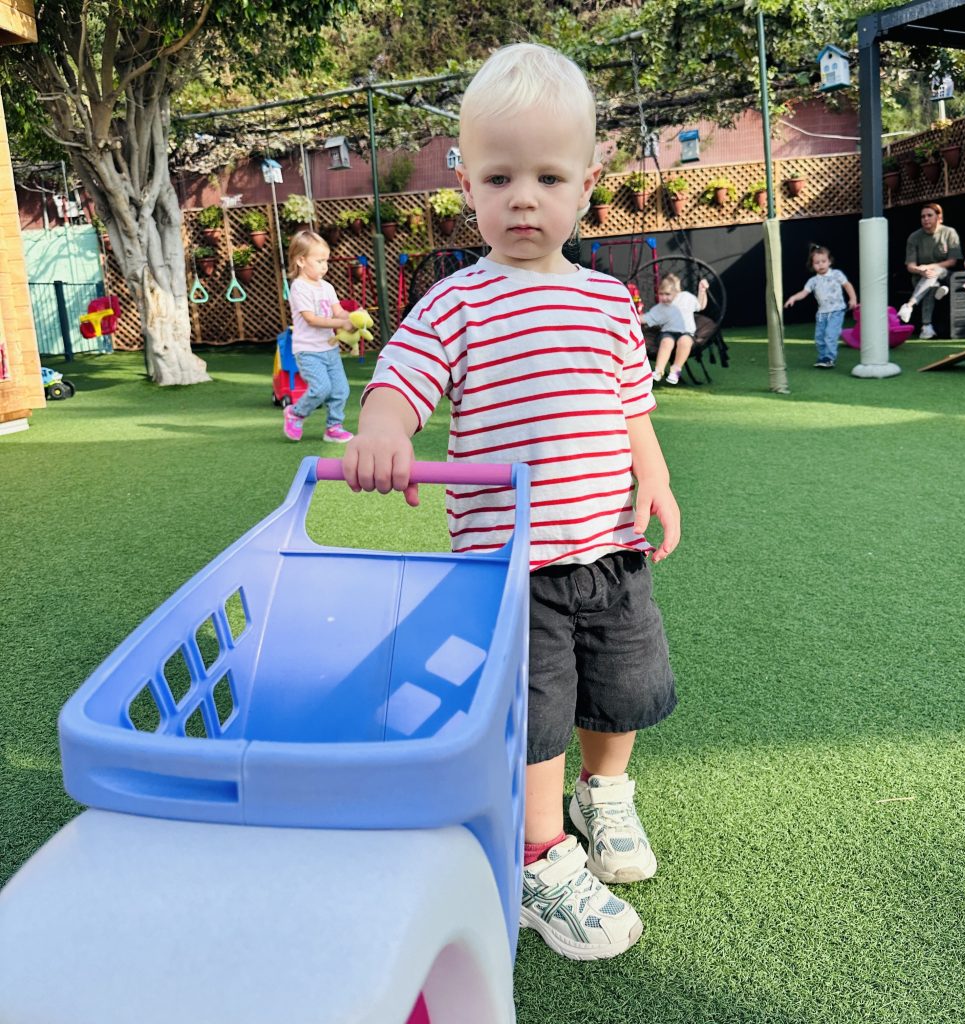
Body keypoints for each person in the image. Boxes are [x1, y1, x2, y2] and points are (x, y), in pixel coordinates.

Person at [341, 42, 680, 961]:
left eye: (548, 177)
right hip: (512, 567)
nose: (523, 199)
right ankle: (538, 856)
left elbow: (631, 406)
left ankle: (604, 797)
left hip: (611, 547)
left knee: (623, 689)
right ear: (466, 185)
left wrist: (653, 478)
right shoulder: (456, 303)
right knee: (537, 713)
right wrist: (384, 431)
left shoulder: (610, 301)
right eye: (499, 178)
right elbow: (399, 382)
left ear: (587, 184)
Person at [283, 229, 356, 443]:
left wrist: (353, 317)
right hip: (308, 351)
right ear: (301, 261)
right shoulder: (299, 288)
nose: (324, 266)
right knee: (321, 389)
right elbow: (312, 319)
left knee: (341, 389)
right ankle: (295, 413)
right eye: (319, 261)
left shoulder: (327, 287)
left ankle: (334, 427)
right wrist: (342, 323)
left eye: (326, 261)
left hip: (329, 348)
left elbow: (338, 312)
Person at [783, 243, 858, 368]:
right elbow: (804, 292)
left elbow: (847, 285)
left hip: (836, 311)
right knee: (819, 337)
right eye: (817, 263)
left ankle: (829, 358)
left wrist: (853, 298)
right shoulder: (813, 281)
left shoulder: (836, 274)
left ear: (829, 262)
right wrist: (793, 298)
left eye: (823, 261)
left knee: (830, 335)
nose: (821, 264)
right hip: (822, 314)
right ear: (812, 265)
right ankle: (822, 357)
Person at [898, 203, 962, 339]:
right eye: (923, 216)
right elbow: (910, 266)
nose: (925, 219)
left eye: (929, 215)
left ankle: (909, 305)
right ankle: (926, 328)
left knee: (936, 271)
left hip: (946, 275)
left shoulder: (949, 232)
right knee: (932, 285)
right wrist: (920, 270)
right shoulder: (914, 237)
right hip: (921, 277)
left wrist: (929, 267)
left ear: (939, 217)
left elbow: (952, 261)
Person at [640, 274, 709, 384]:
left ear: (676, 292)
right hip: (668, 332)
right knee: (666, 342)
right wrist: (631, 315)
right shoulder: (660, 308)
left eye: (667, 294)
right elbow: (645, 318)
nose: (664, 297)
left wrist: (702, 291)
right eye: (661, 294)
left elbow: (701, 306)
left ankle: (675, 371)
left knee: (685, 341)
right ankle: (658, 370)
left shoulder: (686, 298)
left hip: (686, 333)